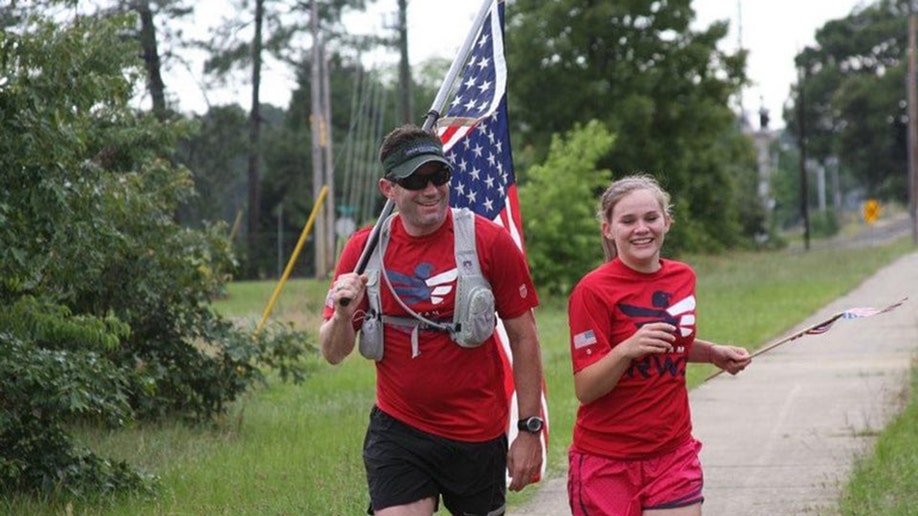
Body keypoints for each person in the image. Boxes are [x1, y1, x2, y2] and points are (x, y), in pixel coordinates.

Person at [320, 124, 545, 516]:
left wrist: (528, 431)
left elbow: (524, 338)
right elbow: (333, 353)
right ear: (388, 189)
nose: (431, 190)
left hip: (477, 434)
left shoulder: (488, 242)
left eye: (439, 176)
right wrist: (342, 313)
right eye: (416, 180)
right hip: (399, 429)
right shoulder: (364, 250)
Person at [566, 174, 751, 516]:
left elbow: (672, 341)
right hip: (607, 460)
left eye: (651, 218)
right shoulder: (592, 290)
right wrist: (625, 350)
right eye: (628, 220)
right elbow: (586, 388)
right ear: (608, 229)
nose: (641, 228)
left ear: (667, 222)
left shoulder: (683, 277)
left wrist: (711, 353)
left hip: (672, 452)